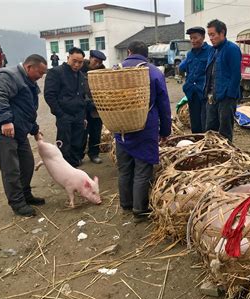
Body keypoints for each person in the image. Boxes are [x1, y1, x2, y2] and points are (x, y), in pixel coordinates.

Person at [0, 54, 48, 217]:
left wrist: (34, 129)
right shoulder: (8, 75)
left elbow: (27, 110)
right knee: (11, 166)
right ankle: (17, 203)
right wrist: (5, 121)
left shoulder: (29, 82)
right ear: (29, 67)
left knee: (27, 162)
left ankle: (25, 195)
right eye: (40, 73)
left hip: (17, 129)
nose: (41, 77)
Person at [115, 41, 171, 220]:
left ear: (129, 51)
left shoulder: (116, 70)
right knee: (142, 168)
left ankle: (126, 203)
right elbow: (163, 103)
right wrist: (165, 130)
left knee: (124, 168)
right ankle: (139, 210)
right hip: (145, 127)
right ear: (146, 55)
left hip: (121, 126)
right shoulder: (153, 71)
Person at [44, 47, 89, 168]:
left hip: (78, 115)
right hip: (64, 115)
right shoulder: (56, 72)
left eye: (80, 62)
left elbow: (83, 97)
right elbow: (49, 95)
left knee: (77, 143)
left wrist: (83, 116)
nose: (77, 64)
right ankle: (63, 169)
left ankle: (74, 169)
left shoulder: (81, 75)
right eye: (74, 61)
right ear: (68, 57)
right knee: (64, 144)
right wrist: (60, 114)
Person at [204, 19, 241, 142]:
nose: (211, 38)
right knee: (210, 130)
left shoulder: (232, 49)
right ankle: (212, 154)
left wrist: (229, 96)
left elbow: (236, 75)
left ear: (222, 33)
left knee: (225, 131)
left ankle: (226, 156)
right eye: (209, 35)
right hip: (212, 97)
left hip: (226, 98)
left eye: (213, 34)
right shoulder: (212, 50)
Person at [179, 26, 211, 133]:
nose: (193, 41)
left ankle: (205, 144)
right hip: (192, 92)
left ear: (202, 37)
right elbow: (181, 67)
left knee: (205, 122)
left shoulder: (211, 52)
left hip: (204, 93)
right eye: (191, 38)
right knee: (195, 122)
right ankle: (196, 142)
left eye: (195, 38)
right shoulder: (190, 54)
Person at [81, 49, 106, 164]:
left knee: (96, 132)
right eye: (95, 61)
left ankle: (94, 154)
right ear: (90, 58)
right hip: (83, 108)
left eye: (100, 62)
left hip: (97, 107)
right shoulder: (80, 69)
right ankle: (79, 155)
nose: (97, 64)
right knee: (81, 133)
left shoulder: (103, 72)